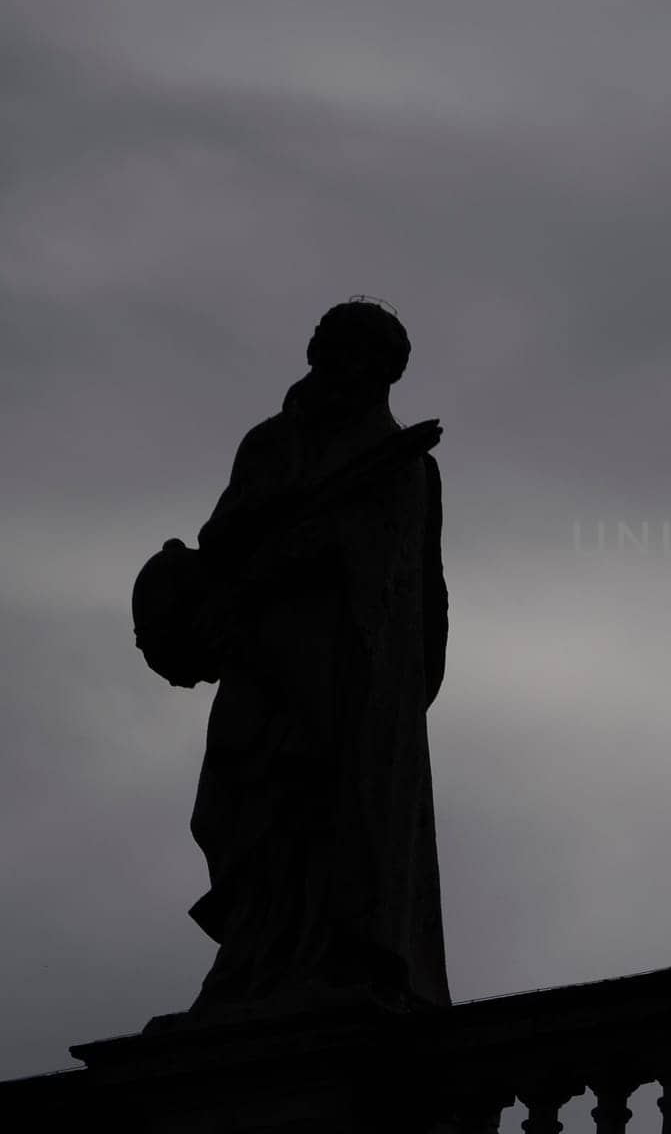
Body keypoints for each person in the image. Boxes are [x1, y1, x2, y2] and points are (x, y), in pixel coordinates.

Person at [181, 299, 450, 1013]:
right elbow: (222, 536)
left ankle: (323, 959)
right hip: (260, 655)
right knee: (233, 808)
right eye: (332, 349)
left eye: (362, 357)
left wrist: (314, 550)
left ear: (386, 374)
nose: (342, 366)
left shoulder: (402, 465)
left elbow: (407, 588)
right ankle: (253, 959)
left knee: (326, 810)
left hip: (344, 666)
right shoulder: (269, 444)